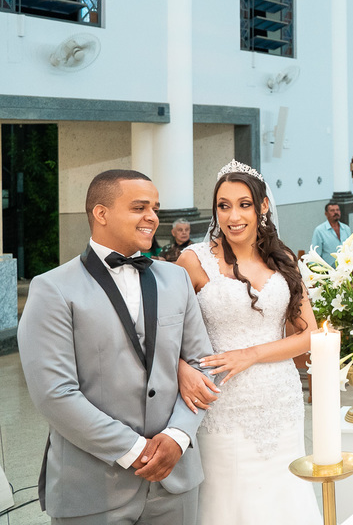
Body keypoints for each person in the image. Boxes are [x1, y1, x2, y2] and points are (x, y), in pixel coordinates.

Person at [19, 169, 213, 524]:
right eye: (139, 207)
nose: (152, 217)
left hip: (176, 483)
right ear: (101, 213)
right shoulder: (53, 289)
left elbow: (202, 365)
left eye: (154, 207)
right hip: (91, 488)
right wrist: (135, 450)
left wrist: (177, 435)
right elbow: (54, 393)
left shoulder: (176, 278)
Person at [175, 161, 320, 525]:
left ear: (262, 207)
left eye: (244, 204)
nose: (233, 215)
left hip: (280, 399)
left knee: (284, 497)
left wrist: (252, 354)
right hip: (221, 402)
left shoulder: (284, 259)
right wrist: (181, 371)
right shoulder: (192, 261)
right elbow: (163, 334)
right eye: (223, 205)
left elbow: (310, 334)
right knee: (228, 499)